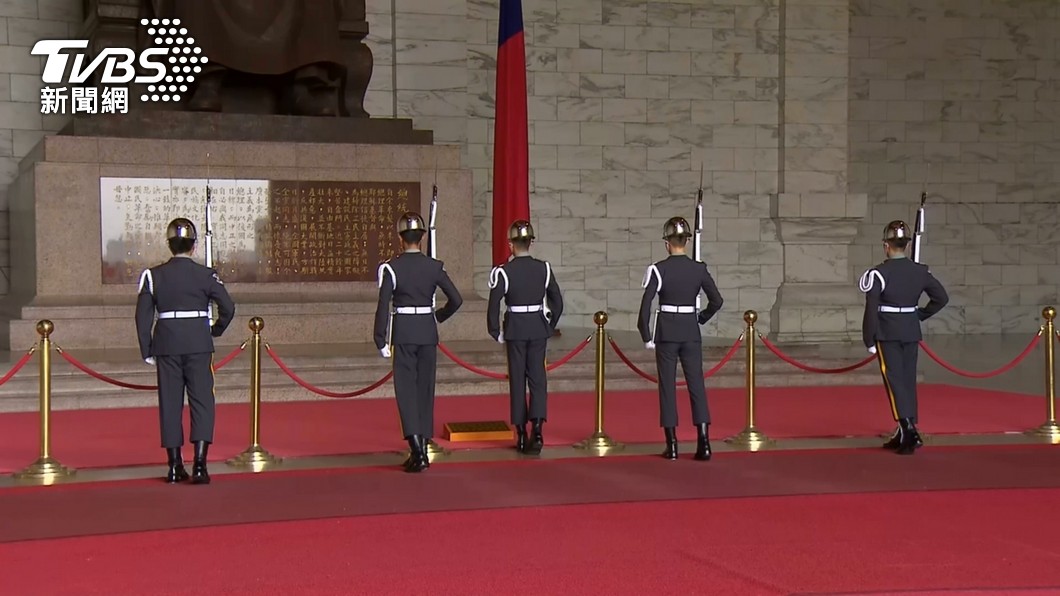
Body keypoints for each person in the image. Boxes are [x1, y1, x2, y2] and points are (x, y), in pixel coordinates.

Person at [135, 218, 236, 484]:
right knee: (202, 401)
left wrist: (147, 349)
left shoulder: (153, 276)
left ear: (169, 245)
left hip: (167, 344)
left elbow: (143, 317)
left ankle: (174, 466)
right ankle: (200, 465)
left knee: (170, 403)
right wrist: (215, 329)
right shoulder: (206, 275)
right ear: (193, 247)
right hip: (198, 343)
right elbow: (228, 307)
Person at [374, 212, 463, 473]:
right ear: (422, 238)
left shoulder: (392, 267)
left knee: (406, 392)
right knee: (425, 391)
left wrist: (380, 338)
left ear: (400, 239)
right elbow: (456, 299)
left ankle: (417, 449)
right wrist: (438, 316)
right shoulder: (434, 267)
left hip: (404, 333)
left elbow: (383, 306)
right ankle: (422, 447)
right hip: (427, 332)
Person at [637, 217, 724, 461]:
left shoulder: (659, 269)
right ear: (686, 241)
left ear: (667, 244)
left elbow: (645, 307)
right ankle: (704, 442)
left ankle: (672, 444)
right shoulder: (699, 269)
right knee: (696, 385)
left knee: (667, 387)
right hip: (690, 331)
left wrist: (646, 334)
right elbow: (716, 301)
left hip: (667, 334)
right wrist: (702, 318)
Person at [860, 220, 948, 455]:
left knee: (895, 381)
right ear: (907, 246)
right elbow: (941, 298)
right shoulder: (920, 271)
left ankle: (909, 430)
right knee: (907, 381)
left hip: (887, 332)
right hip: (910, 329)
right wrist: (919, 314)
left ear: (885, 246)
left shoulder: (879, 273)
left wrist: (869, 338)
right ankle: (903, 431)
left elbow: (871, 309)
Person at [486, 220, 564, 454]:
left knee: (518, 380)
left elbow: (493, 306)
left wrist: (495, 331)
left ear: (510, 245)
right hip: (538, 327)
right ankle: (537, 429)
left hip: (516, 329)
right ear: (531, 242)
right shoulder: (544, 268)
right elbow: (557, 302)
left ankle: (521, 434)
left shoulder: (503, 272)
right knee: (538, 379)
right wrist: (549, 325)